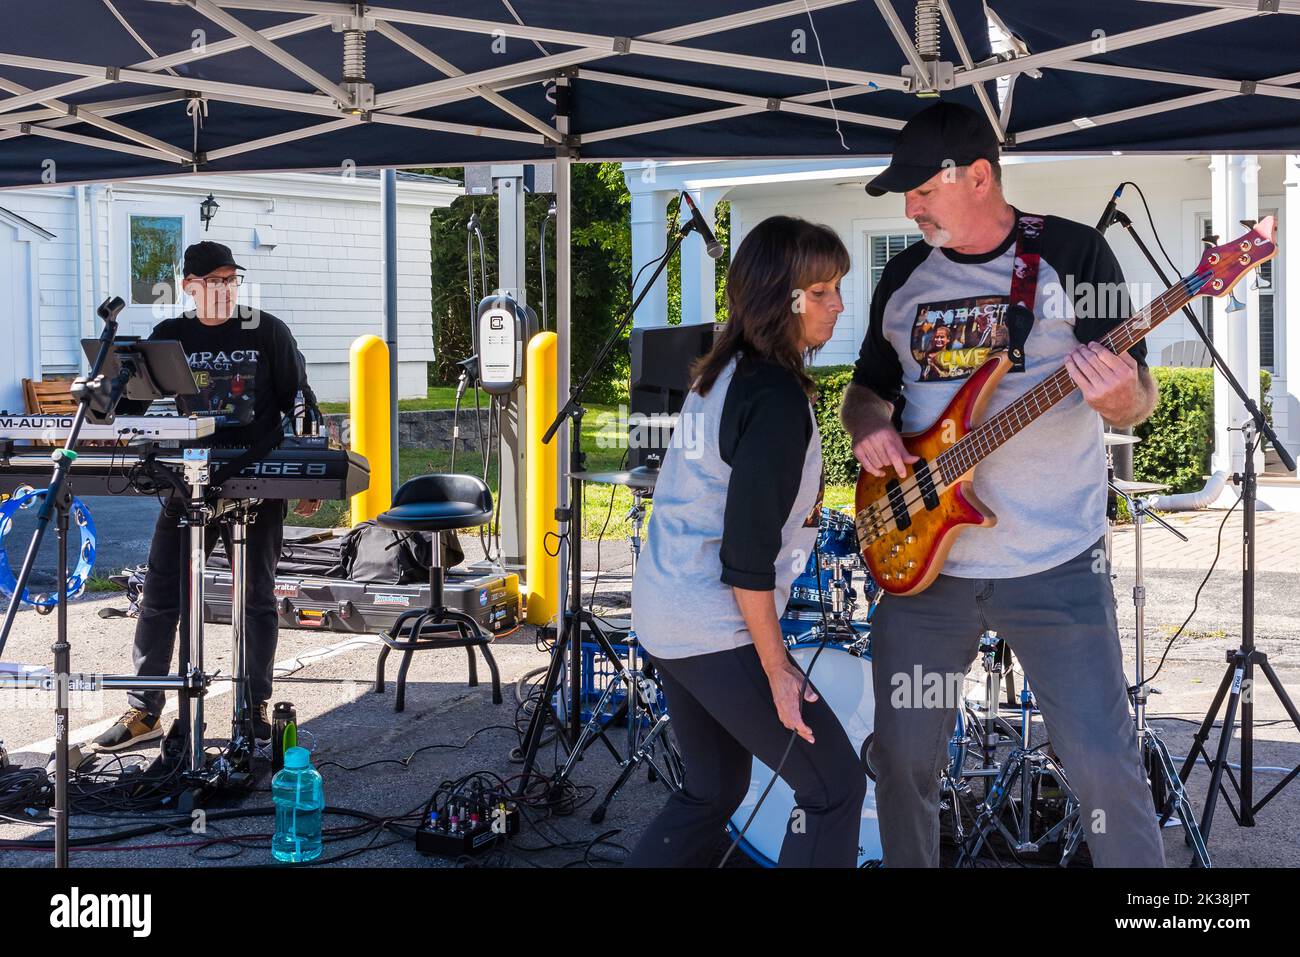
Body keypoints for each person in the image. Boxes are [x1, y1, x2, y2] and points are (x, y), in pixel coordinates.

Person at [842, 102, 1166, 867]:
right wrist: (866, 427)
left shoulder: (1073, 253)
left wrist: (1120, 397)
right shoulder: (903, 274)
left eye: (921, 190)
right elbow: (865, 389)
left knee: (1100, 765)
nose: (911, 206)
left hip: (1056, 565)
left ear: (978, 176)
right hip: (924, 566)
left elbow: (1139, 393)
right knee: (902, 761)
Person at [626, 215, 866, 868]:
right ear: (778, 298)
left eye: (837, 287)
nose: (838, 303)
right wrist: (778, 668)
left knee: (715, 787)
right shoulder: (776, 397)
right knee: (835, 789)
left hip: (665, 611)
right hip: (713, 624)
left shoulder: (723, 370)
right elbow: (746, 563)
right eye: (821, 291)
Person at [94, 241, 318, 751]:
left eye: (231, 279)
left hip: (256, 477)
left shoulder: (267, 330)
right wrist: (109, 384)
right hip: (187, 478)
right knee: (161, 594)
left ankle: (252, 706)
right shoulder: (170, 335)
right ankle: (144, 709)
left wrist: (310, 477)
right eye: (214, 280)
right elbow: (133, 396)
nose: (225, 288)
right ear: (189, 284)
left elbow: (297, 402)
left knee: (256, 597)